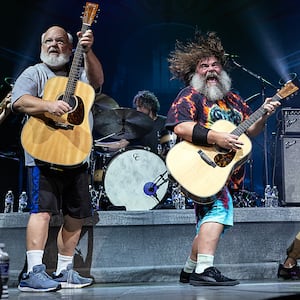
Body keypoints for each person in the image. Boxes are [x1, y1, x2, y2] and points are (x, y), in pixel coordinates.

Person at [165, 31, 280, 286]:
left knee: (209, 218)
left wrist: (264, 114)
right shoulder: (190, 94)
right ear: (195, 71)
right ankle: (204, 269)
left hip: (223, 172)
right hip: (199, 166)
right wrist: (217, 137)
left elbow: (251, 131)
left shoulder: (234, 99)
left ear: (222, 67)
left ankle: (189, 269)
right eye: (203, 65)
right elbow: (180, 127)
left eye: (214, 64)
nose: (210, 69)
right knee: (220, 210)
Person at [11, 25, 104, 292]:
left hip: (76, 152)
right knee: (41, 212)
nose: (53, 45)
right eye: (48, 41)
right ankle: (33, 272)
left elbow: (97, 83)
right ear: (41, 47)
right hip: (44, 151)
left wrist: (89, 51)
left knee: (76, 215)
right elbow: (19, 101)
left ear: (70, 46)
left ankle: (64, 271)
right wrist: (49, 105)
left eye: (60, 41)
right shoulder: (35, 73)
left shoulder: (82, 74)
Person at [132, 90, 169, 155]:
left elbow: (170, 145)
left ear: (149, 106)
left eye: (140, 107)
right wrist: (107, 146)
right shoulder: (138, 126)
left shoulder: (165, 123)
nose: (137, 110)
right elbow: (121, 144)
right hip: (145, 161)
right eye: (137, 107)